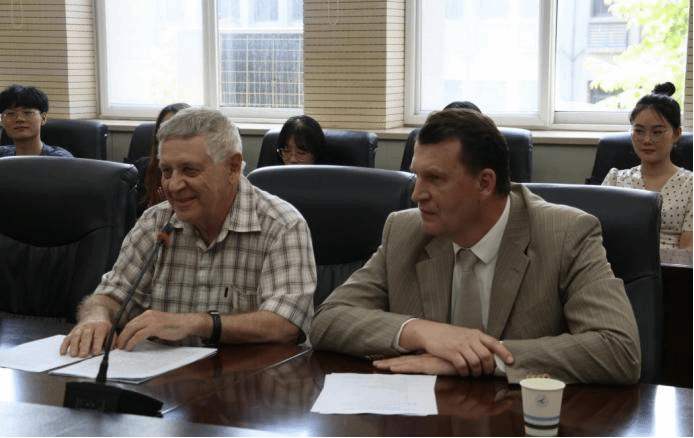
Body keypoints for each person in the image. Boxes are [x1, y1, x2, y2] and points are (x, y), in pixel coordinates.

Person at [310, 108, 641, 385]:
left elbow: (619, 350)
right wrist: (422, 332)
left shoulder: (565, 233)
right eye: (417, 176)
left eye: (435, 179)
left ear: (485, 183)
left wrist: (482, 359)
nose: (416, 194)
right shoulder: (405, 231)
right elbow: (328, 320)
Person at [61, 108, 316, 357]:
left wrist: (196, 323)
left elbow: (285, 325)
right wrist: (96, 318)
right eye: (166, 171)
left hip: (250, 379)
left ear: (233, 167)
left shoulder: (281, 225)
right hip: (162, 377)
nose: (173, 185)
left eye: (190, 170)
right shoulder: (155, 222)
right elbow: (109, 297)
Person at [601, 82, 693, 250]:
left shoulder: (690, 185)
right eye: (639, 131)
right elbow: (595, 236)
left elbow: (689, 250)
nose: (647, 140)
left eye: (657, 132)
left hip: (671, 265)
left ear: (676, 134)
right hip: (614, 263)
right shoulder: (615, 179)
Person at [136, 102, 191, 215]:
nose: (170, 135)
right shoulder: (143, 168)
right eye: (165, 129)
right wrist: (157, 206)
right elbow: (135, 214)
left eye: (176, 129)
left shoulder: (199, 169)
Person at [0, 84, 72, 158]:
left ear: (43, 118)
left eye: (28, 113)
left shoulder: (60, 159)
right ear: (2, 120)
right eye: (10, 114)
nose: (19, 119)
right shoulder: (2, 155)